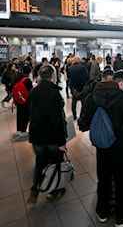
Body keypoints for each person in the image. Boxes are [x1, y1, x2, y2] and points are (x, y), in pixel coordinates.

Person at [79, 71, 123, 227]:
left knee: (103, 178)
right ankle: (122, 216)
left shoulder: (93, 97)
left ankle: (102, 211)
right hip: (120, 147)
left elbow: (84, 122)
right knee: (121, 180)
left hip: (102, 147)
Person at [27, 64, 67, 204]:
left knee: (40, 162)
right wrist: (62, 142)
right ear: (53, 76)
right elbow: (57, 121)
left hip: (36, 137)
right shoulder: (54, 93)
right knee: (54, 164)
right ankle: (52, 191)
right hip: (51, 138)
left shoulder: (33, 92)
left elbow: (29, 114)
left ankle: (35, 190)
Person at [12, 65, 33, 141]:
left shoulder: (17, 77)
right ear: (29, 72)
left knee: (19, 114)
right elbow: (31, 92)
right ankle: (23, 130)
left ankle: (18, 130)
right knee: (25, 115)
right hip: (25, 101)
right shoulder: (28, 80)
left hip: (18, 99)